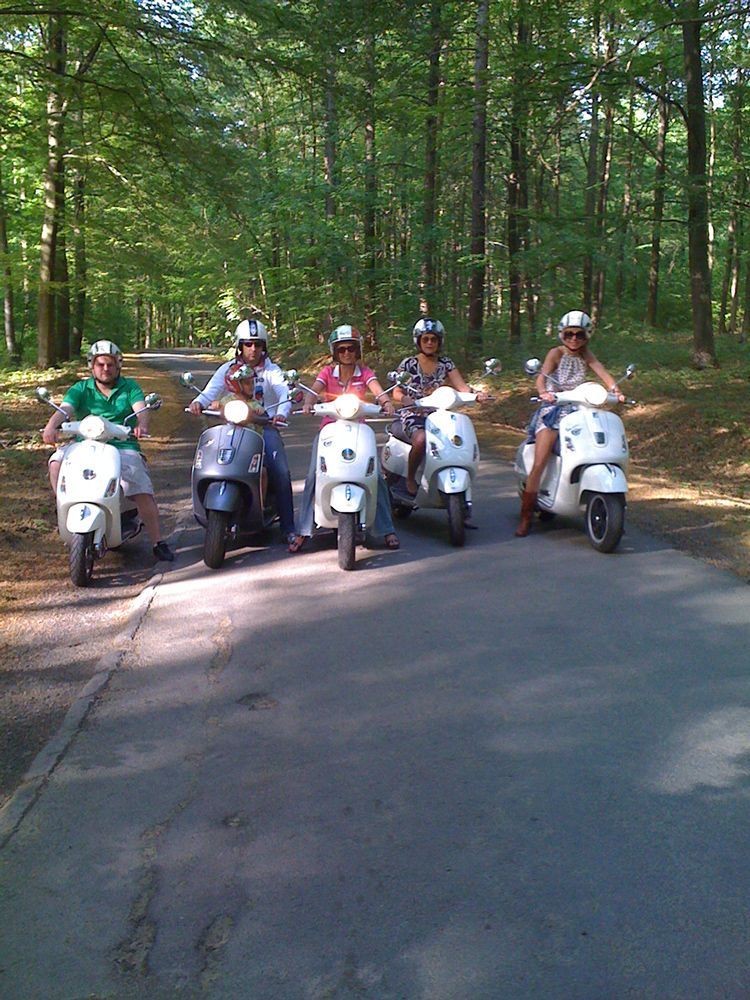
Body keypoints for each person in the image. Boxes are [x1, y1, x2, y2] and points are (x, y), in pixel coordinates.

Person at [42, 340, 175, 562]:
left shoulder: (130, 387)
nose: (105, 369)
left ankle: (157, 542)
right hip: (83, 443)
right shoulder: (81, 388)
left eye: (110, 365)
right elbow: (65, 409)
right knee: (56, 462)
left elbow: (140, 409)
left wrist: (142, 425)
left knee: (138, 483)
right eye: (100, 364)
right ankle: (65, 509)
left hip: (122, 445)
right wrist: (50, 426)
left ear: (118, 366)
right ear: (92, 366)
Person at [288, 324, 400, 552]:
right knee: (313, 475)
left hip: (359, 429)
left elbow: (376, 389)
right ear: (335, 352)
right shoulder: (328, 373)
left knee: (376, 476)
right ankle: (303, 530)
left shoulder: (365, 372)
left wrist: (385, 401)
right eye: (341, 349)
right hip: (330, 428)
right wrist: (309, 402)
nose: (347, 353)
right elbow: (315, 389)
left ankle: (387, 529)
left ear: (357, 350)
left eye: (351, 348)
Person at [516, 309, 626, 537]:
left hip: (579, 409)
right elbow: (541, 377)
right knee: (540, 460)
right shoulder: (555, 353)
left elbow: (602, 373)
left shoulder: (587, 354)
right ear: (562, 334)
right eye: (569, 334)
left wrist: (615, 389)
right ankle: (526, 516)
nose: (574, 339)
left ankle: (599, 500)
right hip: (554, 408)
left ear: (587, 335)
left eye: (579, 334)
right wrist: (544, 392)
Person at [188, 319, 297, 546]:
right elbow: (210, 392)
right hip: (231, 426)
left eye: (258, 345)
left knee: (280, 470)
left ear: (264, 346)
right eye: (248, 344)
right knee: (209, 460)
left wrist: (281, 413)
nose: (253, 349)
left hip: (263, 426)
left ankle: (289, 528)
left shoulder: (271, 370)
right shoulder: (228, 369)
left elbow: (283, 392)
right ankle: (207, 509)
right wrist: (198, 402)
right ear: (240, 346)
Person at [391, 317, 489, 504]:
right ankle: (411, 478)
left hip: (441, 414)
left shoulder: (446, 363)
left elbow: (462, 387)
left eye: (433, 339)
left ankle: (459, 495)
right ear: (418, 340)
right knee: (421, 439)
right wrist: (405, 399)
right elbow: (397, 390)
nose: (429, 343)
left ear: (440, 341)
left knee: (459, 439)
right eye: (425, 338)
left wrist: (477, 395)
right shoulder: (408, 364)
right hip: (415, 413)